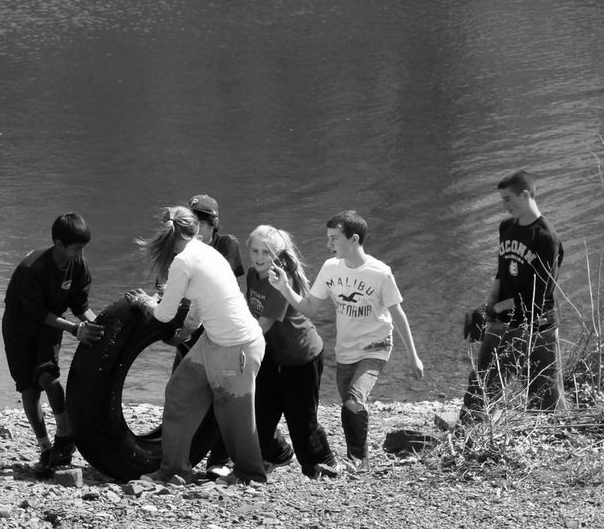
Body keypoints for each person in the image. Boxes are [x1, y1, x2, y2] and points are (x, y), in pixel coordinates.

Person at [269, 209, 424, 466]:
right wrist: (284, 288)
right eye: (328, 238)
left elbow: (398, 315)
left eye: (334, 238)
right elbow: (309, 308)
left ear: (353, 240)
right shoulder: (330, 268)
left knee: (353, 402)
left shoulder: (380, 273)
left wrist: (413, 356)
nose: (328, 244)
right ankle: (361, 461)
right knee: (348, 406)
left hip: (376, 346)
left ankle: (355, 459)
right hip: (345, 351)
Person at [137, 208, 266, 486]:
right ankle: (173, 470)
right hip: (214, 340)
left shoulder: (183, 261)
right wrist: (184, 335)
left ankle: (251, 475)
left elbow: (163, 314)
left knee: (234, 418)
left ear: (167, 233)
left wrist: (145, 302)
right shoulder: (207, 251)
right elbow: (197, 308)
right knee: (180, 392)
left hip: (238, 347)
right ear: (195, 228)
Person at [1, 213, 104, 480]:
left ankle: (64, 434)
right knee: (29, 387)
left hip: (50, 324)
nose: (81, 253)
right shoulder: (31, 268)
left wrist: (100, 330)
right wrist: (74, 330)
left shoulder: (78, 265)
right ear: (59, 244)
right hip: (20, 325)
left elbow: (80, 306)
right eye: (77, 248)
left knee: (48, 375)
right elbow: (36, 312)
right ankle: (45, 446)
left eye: (83, 248)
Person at [461, 170, 565, 419]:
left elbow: (537, 297)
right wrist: (487, 303)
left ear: (526, 194)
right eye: (502, 200)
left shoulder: (546, 239)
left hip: (539, 327)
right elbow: (502, 271)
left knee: (546, 396)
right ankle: (472, 431)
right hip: (503, 321)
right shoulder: (507, 227)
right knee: (483, 382)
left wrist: (495, 310)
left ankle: (556, 439)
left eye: (508, 199)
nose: (504, 205)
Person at [244, 225, 337, 479]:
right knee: (260, 414)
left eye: (266, 252)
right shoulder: (253, 273)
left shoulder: (279, 280)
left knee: (302, 422)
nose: (259, 257)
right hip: (274, 357)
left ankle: (323, 465)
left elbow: (261, 326)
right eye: (255, 251)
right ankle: (278, 453)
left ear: (277, 254)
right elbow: (249, 311)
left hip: (302, 357)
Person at [189, 194, 246, 293]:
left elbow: (221, 282)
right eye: (190, 223)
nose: (194, 229)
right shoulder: (180, 245)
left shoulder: (227, 243)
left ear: (214, 223)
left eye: (200, 224)